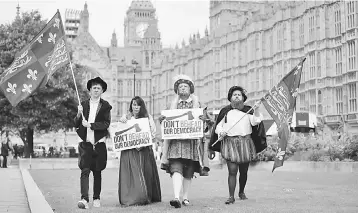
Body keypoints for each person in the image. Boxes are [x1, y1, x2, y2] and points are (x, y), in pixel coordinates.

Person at [159, 74, 214, 208]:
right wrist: (163, 120)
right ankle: (176, 197)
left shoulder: (199, 105)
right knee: (176, 168)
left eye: (185, 86)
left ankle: (185, 197)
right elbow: (164, 121)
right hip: (176, 143)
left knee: (188, 171)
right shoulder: (171, 105)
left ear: (190, 89)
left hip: (192, 143)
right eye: (180, 86)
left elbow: (210, 123)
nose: (182, 88)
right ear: (177, 90)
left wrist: (204, 120)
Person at [209, 86, 266, 204]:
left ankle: (241, 191)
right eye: (234, 94)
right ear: (230, 97)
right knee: (232, 171)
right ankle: (231, 196)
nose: (236, 96)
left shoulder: (248, 110)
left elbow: (256, 121)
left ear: (243, 98)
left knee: (243, 171)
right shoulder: (225, 111)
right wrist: (221, 132)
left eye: (239, 94)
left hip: (246, 142)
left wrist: (256, 110)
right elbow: (217, 127)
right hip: (230, 143)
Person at [74, 77, 112, 209]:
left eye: (98, 88)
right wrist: (79, 114)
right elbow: (76, 123)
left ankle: (96, 198)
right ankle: (84, 199)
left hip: (99, 143)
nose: (96, 90)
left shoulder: (106, 106)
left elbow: (106, 123)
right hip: (86, 143)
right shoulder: (83, 105)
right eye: (94, 88)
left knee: (97, 171)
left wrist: (91, 125)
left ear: (102, 91)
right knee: (85, 170)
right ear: (90, 90)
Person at [117, 96, 161, 206]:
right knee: (133, 175)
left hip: (144, 150)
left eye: (138, 104)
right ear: (131, 106)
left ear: (142, 106)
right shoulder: (126, 117)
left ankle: (145, 196)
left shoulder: (147, 117)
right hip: (130, 151)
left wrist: (147, 139)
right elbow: (120, 129)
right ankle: (133, 197)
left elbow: (153, 133)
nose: (136, 107)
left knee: (145, 173)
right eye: (134, 104)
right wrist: (122, 120)